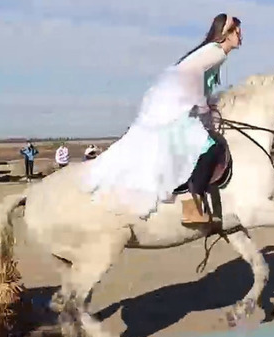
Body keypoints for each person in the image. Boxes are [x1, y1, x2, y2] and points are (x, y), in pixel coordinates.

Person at [85, 13, 242, 225]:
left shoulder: (211, 51)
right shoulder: (217, 52)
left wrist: (205, 103)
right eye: (237, 31)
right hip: (177, 105)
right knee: (210, 146)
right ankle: (191, 203)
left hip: (171, 101)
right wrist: (202, 106)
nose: (241, 36)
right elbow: (193, 72)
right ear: (226, 34)